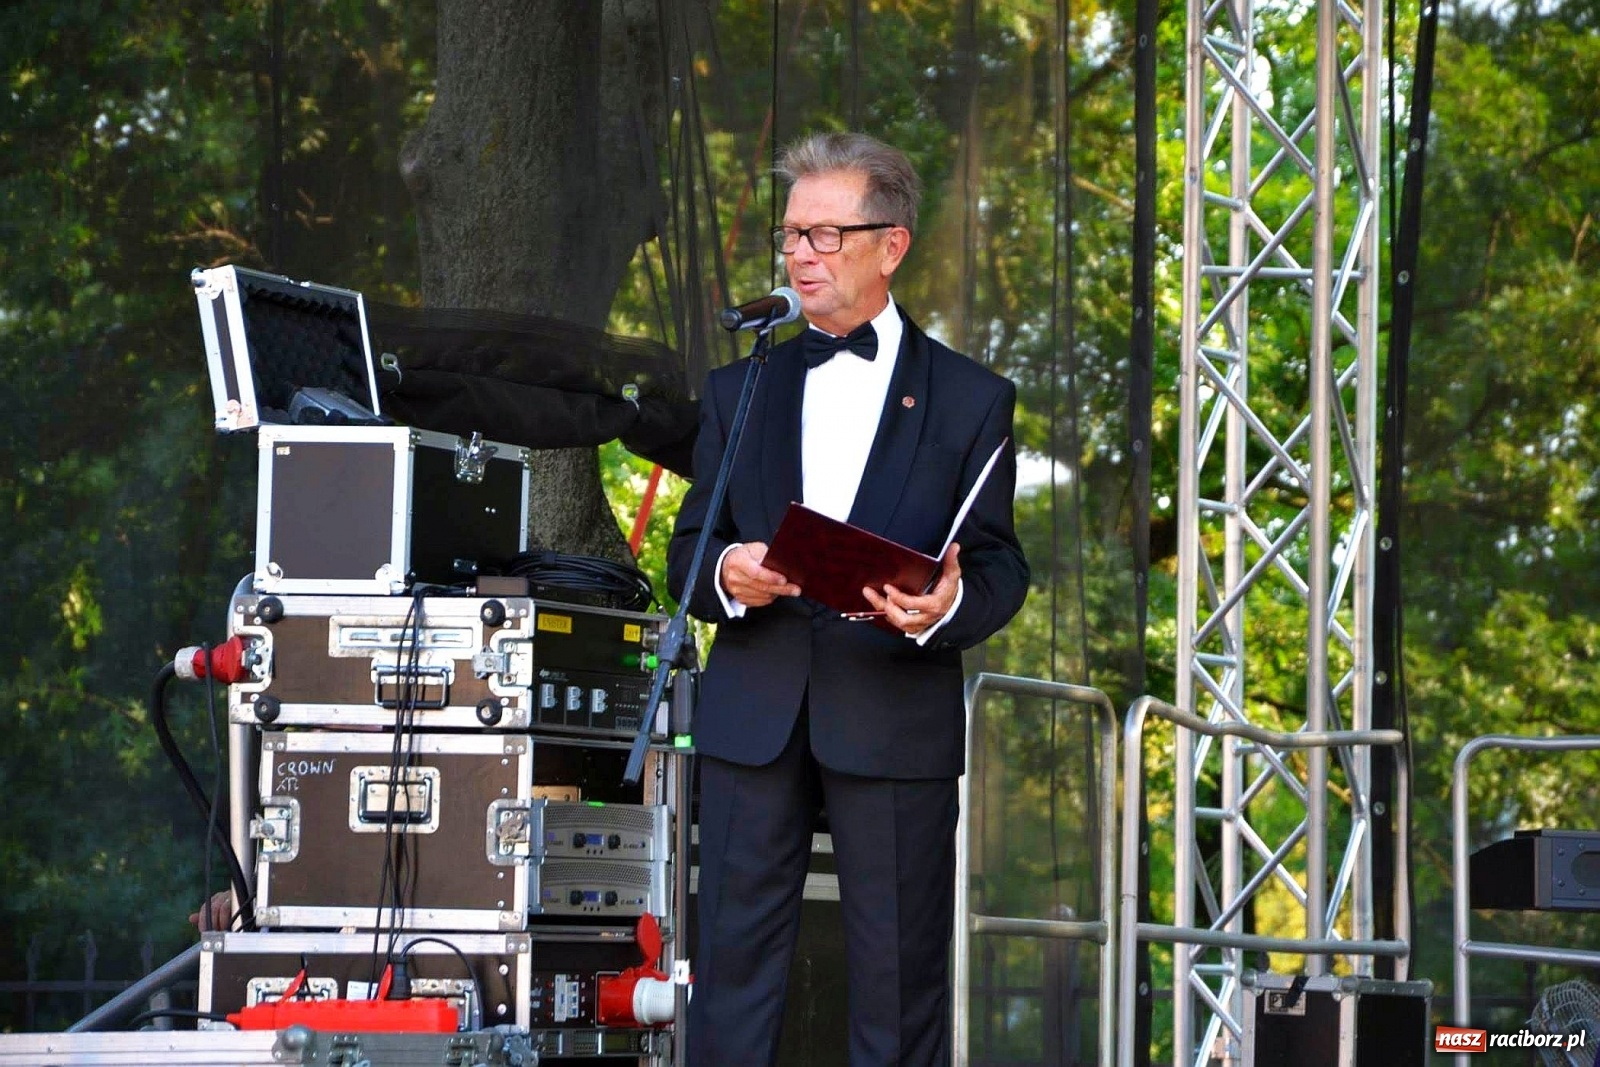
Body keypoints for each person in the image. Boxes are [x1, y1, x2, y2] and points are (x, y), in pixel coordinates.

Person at [667, 131, 1030, 1067]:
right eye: (792, 235)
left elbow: (997, 567)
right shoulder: (738, 387)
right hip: (755, 713)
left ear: (890, 245)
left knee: (898, 980)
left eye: (825, 235)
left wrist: (946, 606)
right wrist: (725, 578)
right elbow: (685, 554)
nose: (799, 254)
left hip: (893, 707)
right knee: (730, 973)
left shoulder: (970, 398)